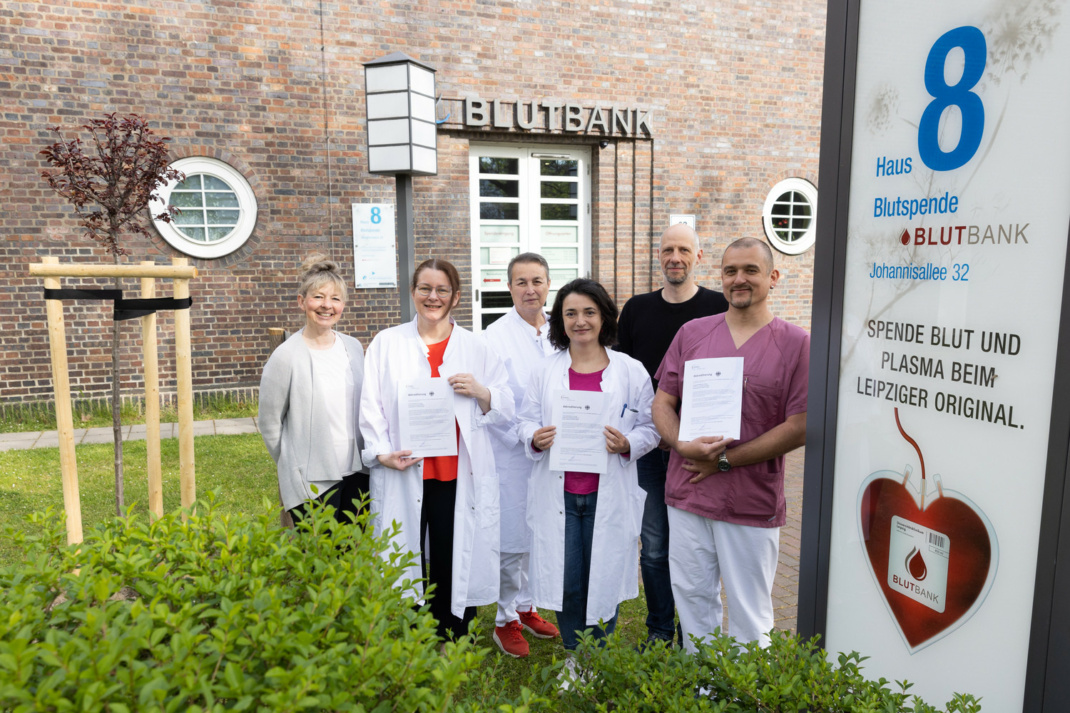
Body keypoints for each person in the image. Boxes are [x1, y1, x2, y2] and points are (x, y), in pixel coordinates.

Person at [652, 237, 808, 650]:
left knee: (749, 613)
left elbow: (800, 425)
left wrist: (725, 462)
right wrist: (682, 444)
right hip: (687, 493)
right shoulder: (692, 333)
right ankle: (700, 689)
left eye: (750, 270)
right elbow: (663, 403)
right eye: (730, 271)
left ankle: (744, 696)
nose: (739, 279)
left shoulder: (796, 344)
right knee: (692, 603)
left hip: (749, 501)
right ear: (720, 277)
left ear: (773, 277)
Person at [359, 258, 512, 641]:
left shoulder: (476, 347)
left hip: (456, 473)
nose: (433, 296)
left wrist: (481, 391)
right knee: (408, 558)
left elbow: (507, 402)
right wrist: (380, 453)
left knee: (452, 555)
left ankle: (453, 636)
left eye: (442, 289)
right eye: (425, 288)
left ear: (456, 296)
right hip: (405, 469)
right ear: (412, 293)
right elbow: (371, 404)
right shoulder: (387, 343)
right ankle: (417, 638)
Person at [519, 278, 659, 663]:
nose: (580, 321)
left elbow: (651, 426)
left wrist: (629, 443)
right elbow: (524, 421)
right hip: (559, 494)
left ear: (604, 317)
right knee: (568, 581)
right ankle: (572, 656)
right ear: (560, 322)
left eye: (589, 312)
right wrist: (535, 437)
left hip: (607, 494)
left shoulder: (630, 371)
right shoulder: (545, 372)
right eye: (571, 313)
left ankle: (594, 660)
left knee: (604, 578)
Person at [616, 222, 728, 645]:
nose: (675, 257)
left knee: (697, 547)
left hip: (699, 450)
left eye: (683, 249)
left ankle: (694, 632)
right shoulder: (637, 309)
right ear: (658, 256)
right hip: (649, 448)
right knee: (656, 545)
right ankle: (661, 629)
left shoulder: (720, 307)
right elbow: (624, 377)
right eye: (667, 250)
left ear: (699, 256)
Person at [484, 253, 561, 658]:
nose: (530, 289)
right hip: (513, 453)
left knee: (541, 534)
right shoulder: (493, 338)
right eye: (521, 282)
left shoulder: (561, 331)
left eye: (537, 281)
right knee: (512, 538)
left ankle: (528, 605)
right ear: (509, 287)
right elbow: (490, 403)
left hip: (556, 453)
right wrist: (525, 436)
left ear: (549, 284)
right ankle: (503, 618)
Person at [259, 255, 368, 525]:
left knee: (350, 555)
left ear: (343, 305)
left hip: (357, 471)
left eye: (335, 299)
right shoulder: (286, 356)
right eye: (318, 297)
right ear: (302, 301)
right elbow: (269, 422)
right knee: (318, 557)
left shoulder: (353, 347)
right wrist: (291, 463)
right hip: (313, 478)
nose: (326, 306)